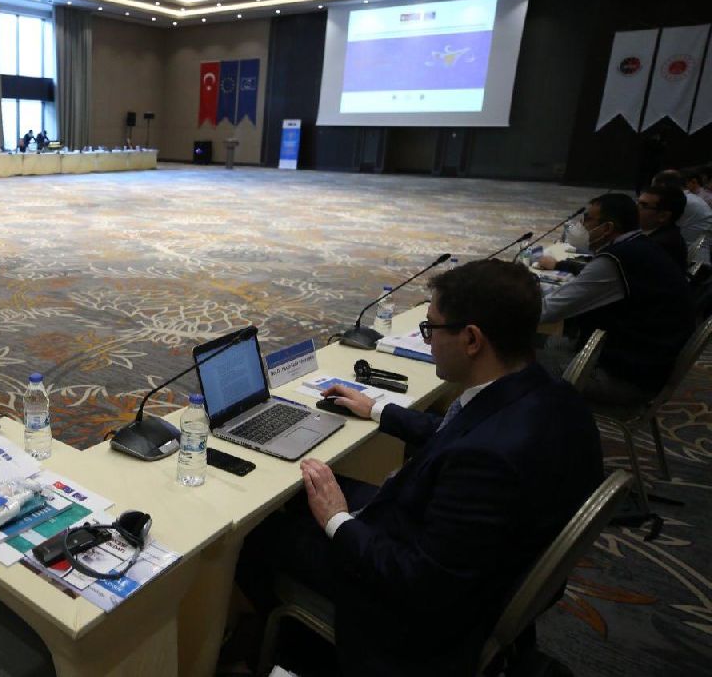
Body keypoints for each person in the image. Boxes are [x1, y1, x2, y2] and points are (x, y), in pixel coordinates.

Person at [234, 259, 603, 675]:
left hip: (419, 615)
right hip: (468, 553)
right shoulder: (554, 395)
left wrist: (338, 520)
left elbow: (418, 583)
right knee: (303, 494)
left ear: (471, 339)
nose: (428, 341)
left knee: (257, 530)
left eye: (431, 329)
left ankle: (299, 647)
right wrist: (378, 409)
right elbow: (463, 432)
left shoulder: (485, 463)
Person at [538, 192, 693, 405]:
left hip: (622, 378)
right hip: (643, 365)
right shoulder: (640, 246)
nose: (581, 226)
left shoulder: (617, 259)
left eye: (587, 220)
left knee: (506, 357)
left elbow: (547, 311)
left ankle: (529, 419)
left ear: (607, 228)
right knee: (543, 340)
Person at [654, 169, 712, 262]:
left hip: (694, 260)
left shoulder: (685, 201)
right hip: (692, 255)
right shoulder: (688, 198)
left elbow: (654, 225)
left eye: (654, 190)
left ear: (663, 186)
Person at [636, 184, 689, 269]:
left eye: (643, 205)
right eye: (637, 202)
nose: (635, 208)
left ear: (663, 216)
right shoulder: (666, 234)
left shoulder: (658, 246)